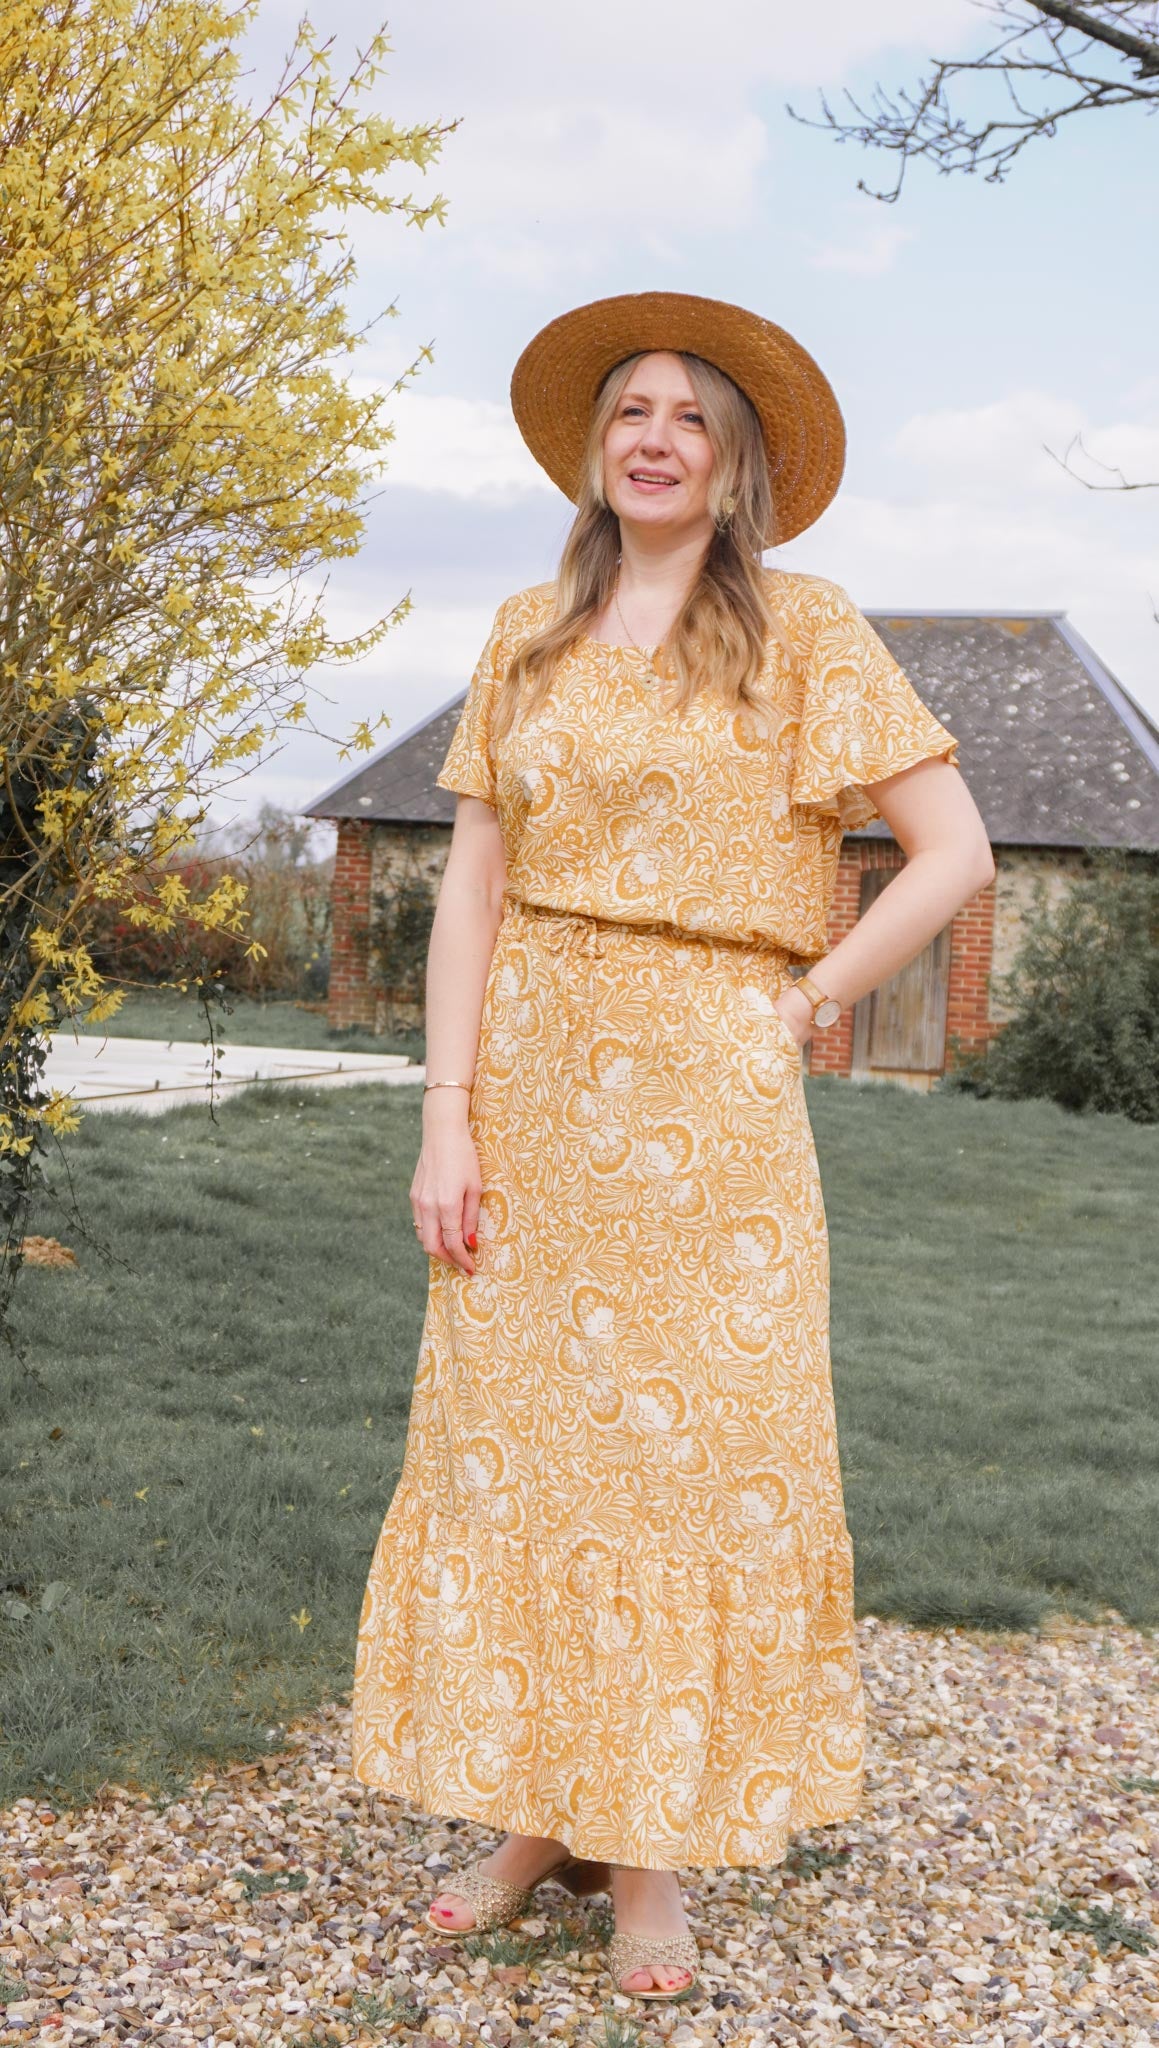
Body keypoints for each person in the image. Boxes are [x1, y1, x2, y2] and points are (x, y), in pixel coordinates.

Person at [350, 290, 995, 2002]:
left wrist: (808, 1001)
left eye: (689, 416)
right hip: (531, 1079)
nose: (654, 437)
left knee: (687, 1458)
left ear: (734, 460)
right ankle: (536, 1818)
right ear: (595, 445)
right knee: (526, 1452)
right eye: (630, 410)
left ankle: (650, 1859)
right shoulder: (525, 634)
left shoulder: (808, 629)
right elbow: (471, 888)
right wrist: (444, 1112)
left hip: (711, 1103)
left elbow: (955, 853)